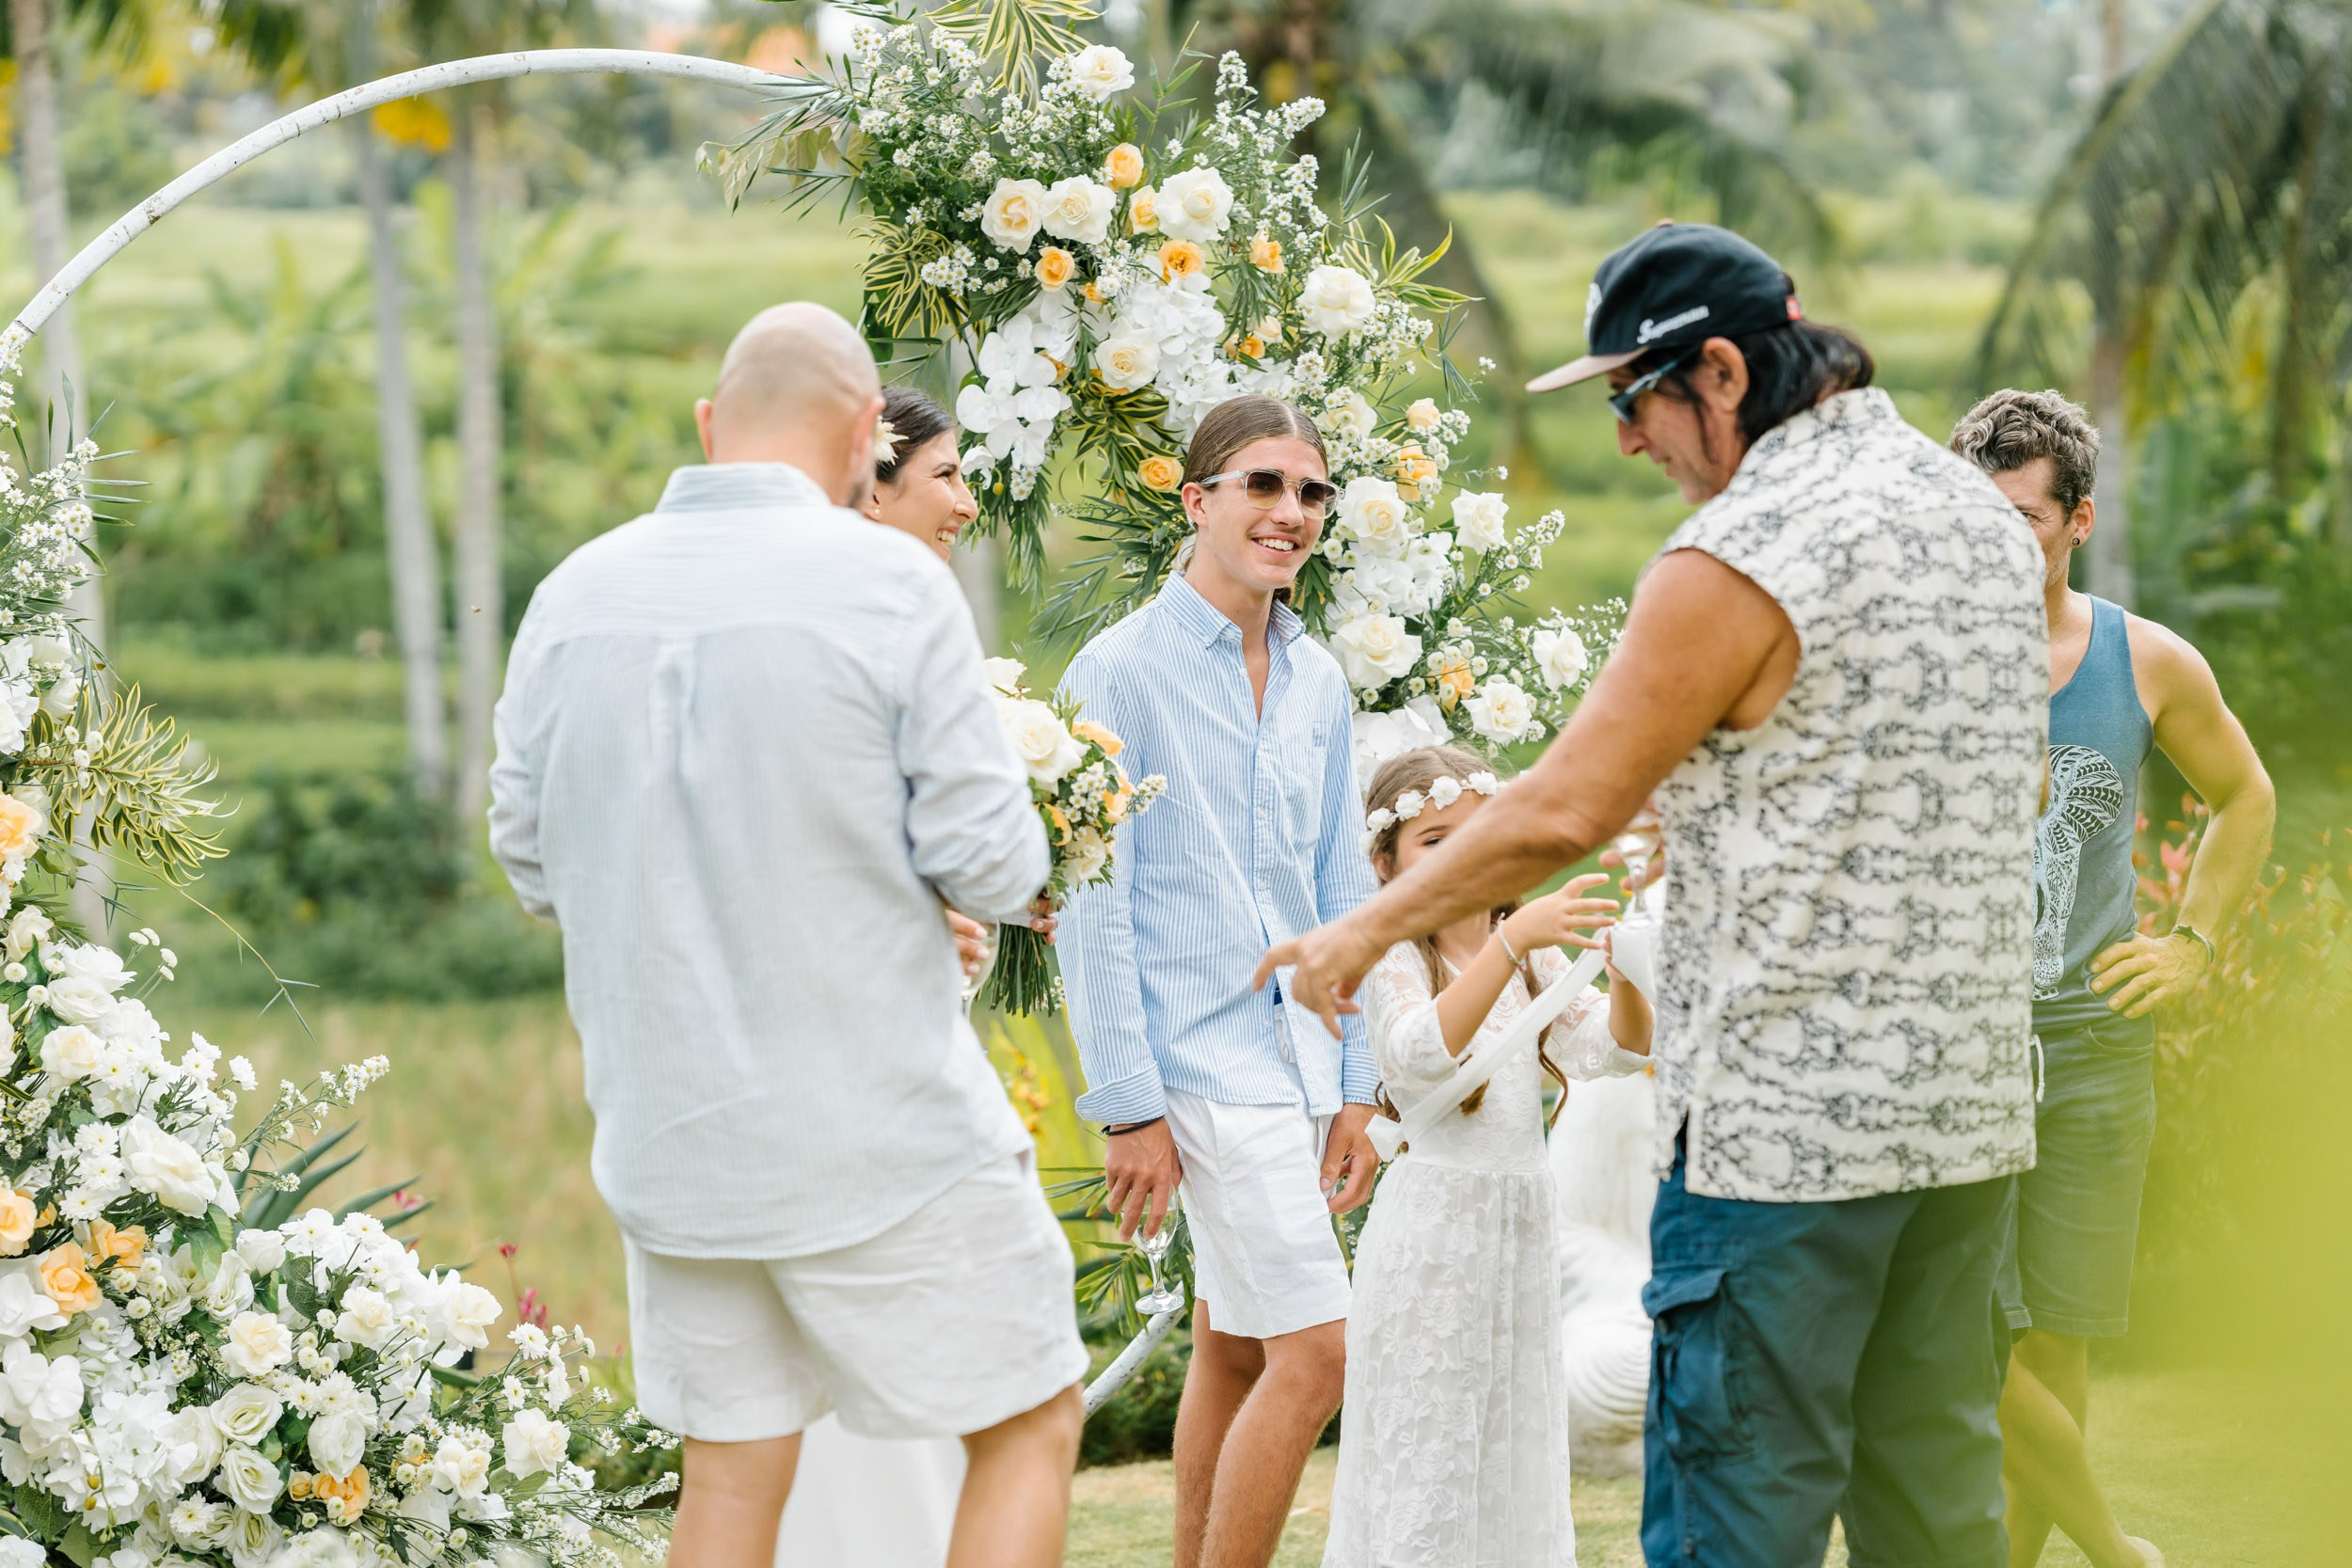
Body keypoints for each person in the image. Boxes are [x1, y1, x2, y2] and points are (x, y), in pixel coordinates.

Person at [1258, 223, 2048, 1568]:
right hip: (1965, 1117)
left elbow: (1564, 810)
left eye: (1634, 397)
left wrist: (1363, 929)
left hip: (1783, 1139)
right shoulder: (1977, 517)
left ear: (1724, 373)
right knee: (1935, 1512)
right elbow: (2010, 782)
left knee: (1738, 1516)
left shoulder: (1740, 552)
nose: (1626, 439)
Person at [486, 302, 1087, 1568]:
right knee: (1029, 1418)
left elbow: (531, 862)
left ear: (710, 424)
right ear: (869, 433)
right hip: (880, 1134)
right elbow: (991, 863)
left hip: (672, 1139)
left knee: (731, 1475)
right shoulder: (891, 585)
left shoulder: (571, 592)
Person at [1951, 389, 2275, 1568]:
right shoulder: (1917, 657)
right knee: (1955, 1326)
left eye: (2022, 521)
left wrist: (2191, 945)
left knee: (2057, 1339)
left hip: (2093, 1043)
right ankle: (2115, 1550)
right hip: (1949, 1048)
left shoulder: (2147, 660)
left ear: (2078, 520)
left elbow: (2244, 796)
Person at [1057, 394, 1380, 1568]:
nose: (1292, 510)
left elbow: (1343, 890)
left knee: (1235, 1348)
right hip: (1196, 1063)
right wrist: (1128, 1105)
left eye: (1312, 490)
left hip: (1301, 1059)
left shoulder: (1319, 679)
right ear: (1195, 501)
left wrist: (1358, 1081)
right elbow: (1091, 901)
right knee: (1320, 1352)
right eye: (1263, 484)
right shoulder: (1117, 672)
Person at [1322, 746, 1653, 1568]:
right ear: (1386, 861)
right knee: (1431, 1446)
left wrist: (1624, 970)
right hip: (1437, 1231)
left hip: (1518, 1226)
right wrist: (1512, 944)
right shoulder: (1394, 951)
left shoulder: (1532, 951)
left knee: (1510, 1445)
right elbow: (1419, 1051)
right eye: (1435, 840)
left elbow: (1612, 1049)